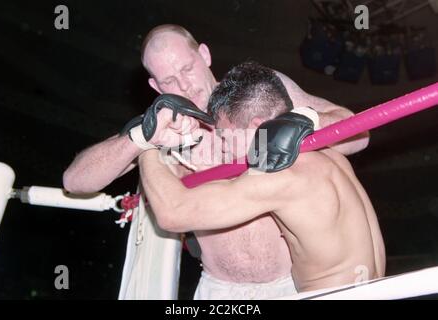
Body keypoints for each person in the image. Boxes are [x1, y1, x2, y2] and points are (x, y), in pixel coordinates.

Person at [62, 25, 370, 299]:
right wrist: (142, 139)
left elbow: (358, 136)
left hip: (293, 282)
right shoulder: (161, 128)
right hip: (220, 290)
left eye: (187, 68)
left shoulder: (256, 92)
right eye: (169, 79)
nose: (183, 85)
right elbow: (75, 182)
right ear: (155, 87)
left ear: (205, 55)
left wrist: (304, 122)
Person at [138, 61, 386, 295]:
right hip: (380, 290)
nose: (224, 149)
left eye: (225, 137)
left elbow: (173, 213)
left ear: (257, 126)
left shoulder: (280, 176)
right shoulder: (328, 154)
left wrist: (147, 145)